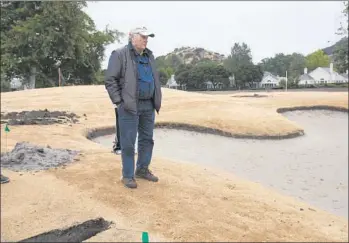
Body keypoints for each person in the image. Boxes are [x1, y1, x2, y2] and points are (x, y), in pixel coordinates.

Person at [105, 27, 162, 189]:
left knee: (147, 140)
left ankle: (142, 169)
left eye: (147, 37)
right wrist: (119, 101)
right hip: (129, 106)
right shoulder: (119, 54)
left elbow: (153, 79)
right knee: (128, 142)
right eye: (143, 37)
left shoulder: (149, 55)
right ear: (132, 38)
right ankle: (128, 175)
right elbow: (110, 80)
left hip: (148, 105)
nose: (146, 39)